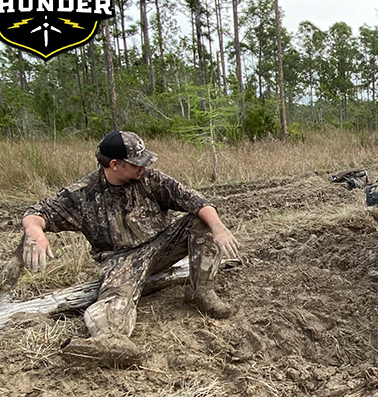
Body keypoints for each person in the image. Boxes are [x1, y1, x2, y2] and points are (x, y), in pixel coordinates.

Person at [18, 131, 239, 364]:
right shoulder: (83, 194)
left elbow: (196, 201)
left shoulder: (151, 179)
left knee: (201, 221)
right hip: (121, 260)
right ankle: (110, 344)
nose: (143, 167)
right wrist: (35, 232)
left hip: (163, 245)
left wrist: (218, 227)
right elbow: (37, 212)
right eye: (136, 163)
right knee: (115, 302)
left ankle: (200, 292)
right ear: (114, 164)